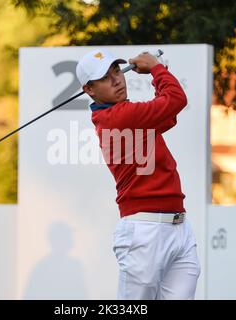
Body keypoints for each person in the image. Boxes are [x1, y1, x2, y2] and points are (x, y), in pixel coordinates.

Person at [76, 49, 200, 300]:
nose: (117, 79)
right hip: (145, 231)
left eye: (116, 71)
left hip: (178, 227)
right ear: (89, 89)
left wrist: (159, 70)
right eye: (105, 77)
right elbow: (176, 99)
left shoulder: (125, 114)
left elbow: (169, 114)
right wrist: (155, 68)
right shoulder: (119, 117)